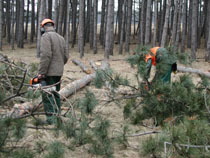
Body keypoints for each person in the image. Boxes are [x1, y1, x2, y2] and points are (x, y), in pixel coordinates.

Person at [38, 18, 69, 124]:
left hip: (49, 73)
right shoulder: (61, 38)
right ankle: (58, 116)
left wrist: (42, 72)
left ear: (43, 27)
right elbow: (66, 56)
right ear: (52, 26)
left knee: (47, 95)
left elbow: (45, 56)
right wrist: (59, 65)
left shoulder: (45, 37)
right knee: (55, 93)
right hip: (59, 72)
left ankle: (51, 120)